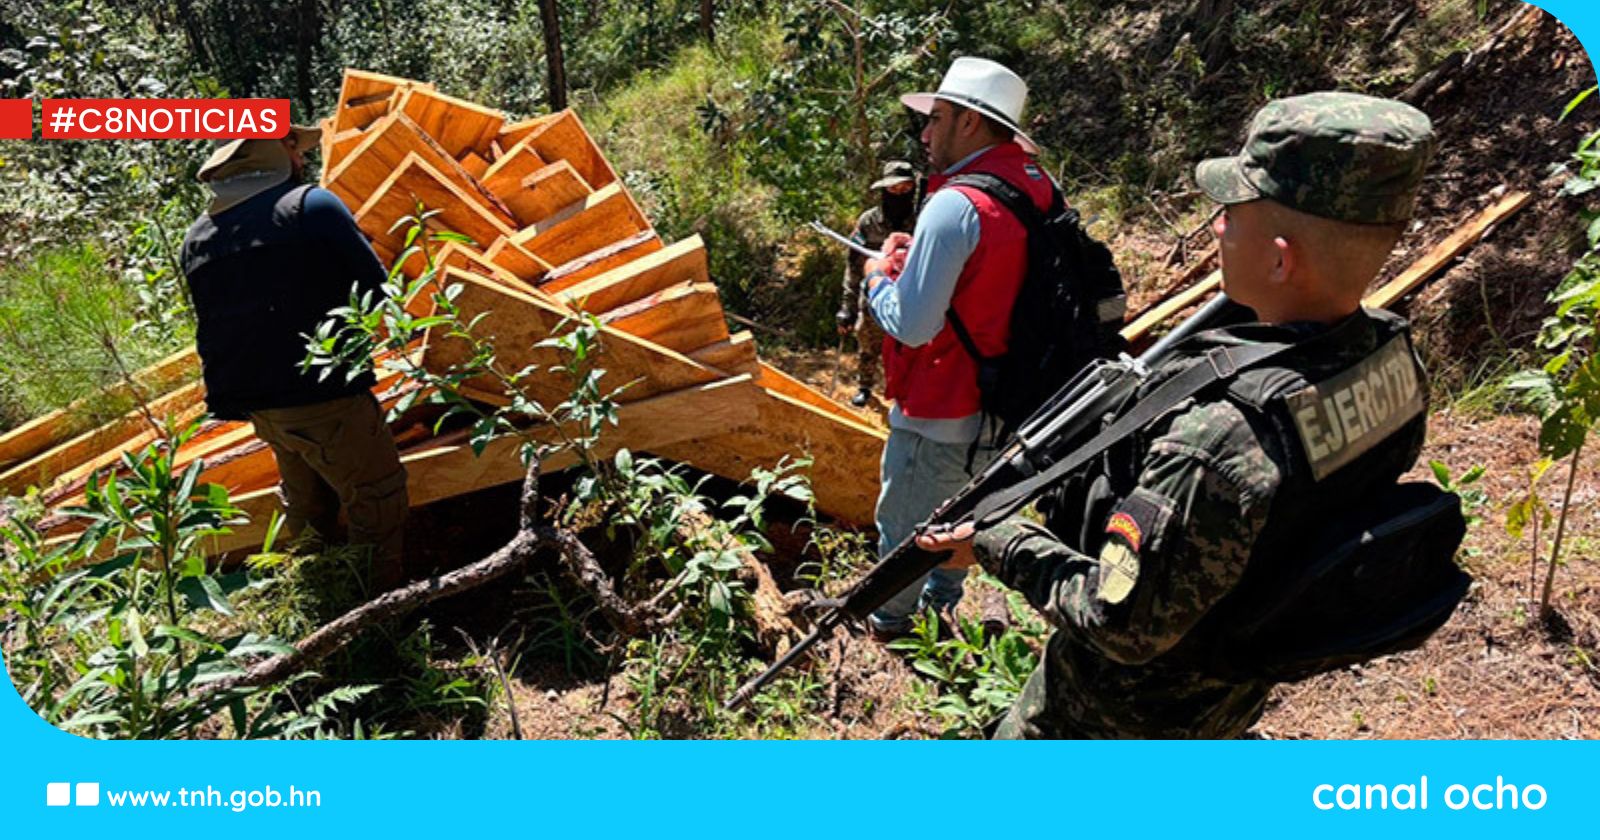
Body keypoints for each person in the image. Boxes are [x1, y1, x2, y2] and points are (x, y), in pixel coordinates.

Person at [916, 91, 1439, 738]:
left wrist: (994, 540)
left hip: (1113, 722)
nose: (1218, 227)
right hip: (1231, 694)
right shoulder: (1392, 359)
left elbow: (1122, 623)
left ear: (1280, 258)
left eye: (1232, 212)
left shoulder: (1219, 440)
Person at [861, 57, 1054, 640]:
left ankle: (891, 629)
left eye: (936, 118)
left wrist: (878, 278)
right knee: (960, 520)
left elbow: (915, 325)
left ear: (970, 122)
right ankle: (943, 608)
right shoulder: (1037, 185)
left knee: (905, 530)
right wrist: (917, 260)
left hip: (943, 400)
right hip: (1011, 398)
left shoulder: (955, 204)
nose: (924, 134)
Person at [180, 125, 409, 591]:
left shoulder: (198, 237)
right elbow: (377, 286)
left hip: (256, 404)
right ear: (275, 152)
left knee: (307, 505)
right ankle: (377, 615)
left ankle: (315, 595)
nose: (300, 155)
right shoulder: (309, 206)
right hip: (324, 395)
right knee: (377, 498)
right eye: (291, 145)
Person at [836, 160, 918, 408]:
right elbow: (853, 266)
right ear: (883, 190)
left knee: (909, 350)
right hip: (872, 295)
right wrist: (847, 308)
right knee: (867, 345)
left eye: (905, 189)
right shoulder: (868, 222)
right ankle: (865, 386)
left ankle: (904, 393)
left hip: (910, 298)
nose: (899, 194)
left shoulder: (924, 220)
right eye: (894, 189)